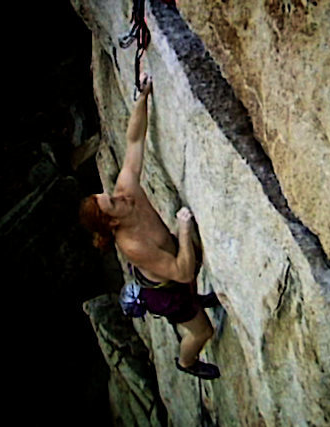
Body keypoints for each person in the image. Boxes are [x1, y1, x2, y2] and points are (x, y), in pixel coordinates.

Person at [79, 73, 220, 380]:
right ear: (113, 222)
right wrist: (183, 229)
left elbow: (134, 141)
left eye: (108, 193)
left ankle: (197, 298)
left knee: (189, 264)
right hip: (166, 291)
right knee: (202, 331)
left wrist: (143, 98)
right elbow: (181, 271)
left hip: (172, 269)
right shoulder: (133, 246)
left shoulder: (126, 192)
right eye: (111, 202)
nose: (117, 195)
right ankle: (186, 363)